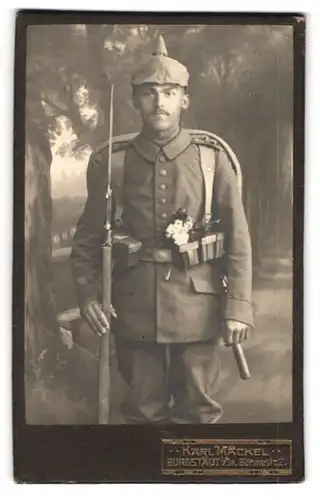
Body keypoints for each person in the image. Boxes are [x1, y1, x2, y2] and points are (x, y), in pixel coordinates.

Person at [70, 35, 254, 424]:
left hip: (198, 309)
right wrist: (88, 296)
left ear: (184, 100)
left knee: (199, 414)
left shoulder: (211, 158)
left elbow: (238, 240)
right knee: (141, 414)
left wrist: (238, 308)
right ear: (135, 100)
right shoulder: (113, 163)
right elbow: (87, 241)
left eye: (169, 93)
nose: (159, 102)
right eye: (149, 93)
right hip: (133, 310)